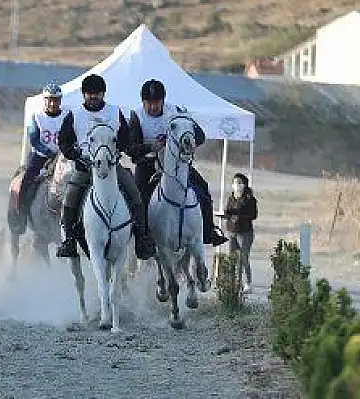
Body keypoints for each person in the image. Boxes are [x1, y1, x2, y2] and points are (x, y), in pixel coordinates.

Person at [55, 74, 155, 260]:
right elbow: (64, 141)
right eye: (89, 94)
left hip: (111, 166)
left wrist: (118, 150)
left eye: (97, 93)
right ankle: (69, 240)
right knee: (70, 198)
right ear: (84, 94)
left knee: (134, 193)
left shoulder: (114, 112)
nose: (93, 97)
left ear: (103, 94)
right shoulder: (74, 115)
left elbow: (125, 138)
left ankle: (141, 237)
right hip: (86, 166)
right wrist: (75, 155)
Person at [127, 79, 227, 247]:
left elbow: (200, 135)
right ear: (143, 102)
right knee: (138, 198)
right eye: (149, 103)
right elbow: (130, 148)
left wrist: (189, 142)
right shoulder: (136, 116)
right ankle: (141, 237)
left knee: (202, 188)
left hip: (177, 165)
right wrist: (150, 146)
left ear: (163, 101)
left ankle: (208, 231)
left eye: (156, 103)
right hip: (148, 164)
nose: (152, 107)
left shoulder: (176, 112)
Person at [17, 83, 68, 226]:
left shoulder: (66, 116)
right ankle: (22, 213)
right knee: (27, 179)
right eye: (49, 100)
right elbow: (34, 139)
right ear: (44, 100)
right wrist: (48, 152)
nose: (53, 103)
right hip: (41, 156)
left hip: (63, 157)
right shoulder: (37, 117)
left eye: (56, 100)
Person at [224, 172, 258, 293]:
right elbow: (227, 211)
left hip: (245, 233)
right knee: (232, 258)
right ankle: (233, 282)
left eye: (239, 183)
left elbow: (254, 215)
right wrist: (226, 215)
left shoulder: (250, 199)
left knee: (243, 258)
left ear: (244, 185)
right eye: (234, 182)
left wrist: (240, 217)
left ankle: (248, 283)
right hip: (231, 231)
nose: (236, 185)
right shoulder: (231, 197)